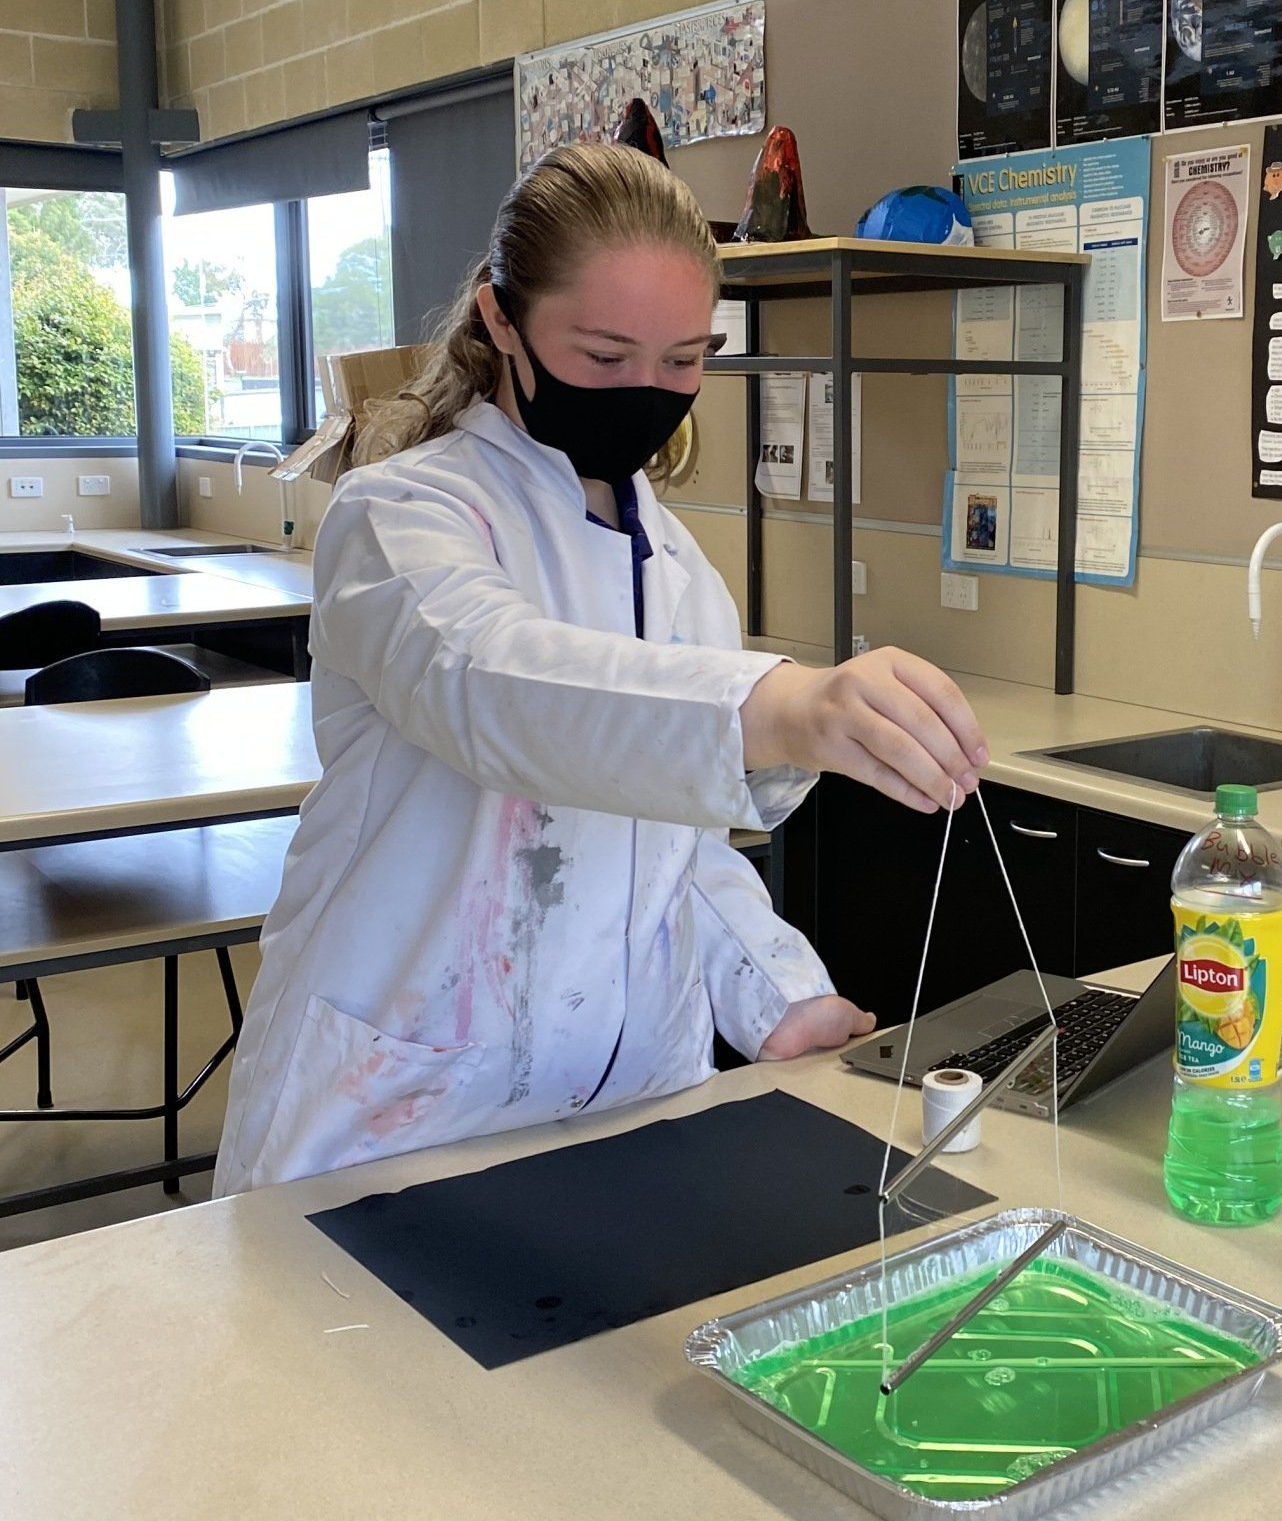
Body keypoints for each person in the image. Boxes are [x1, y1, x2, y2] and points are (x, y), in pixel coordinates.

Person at [213, 142, 986, 1194]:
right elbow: (495, 688)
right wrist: (776, 704)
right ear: (502, 320)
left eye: (683, 359)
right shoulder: (401, 516)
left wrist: (775, 995)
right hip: (402, 1112)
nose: (646, 392)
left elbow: (672, 845)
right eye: (606, 355)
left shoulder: (671, 562)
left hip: (627, 1108)